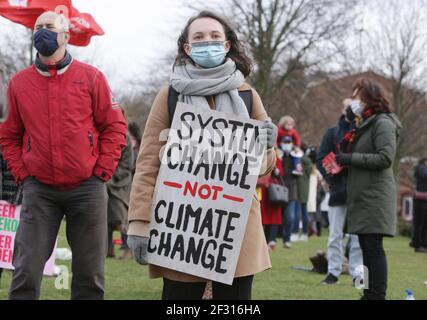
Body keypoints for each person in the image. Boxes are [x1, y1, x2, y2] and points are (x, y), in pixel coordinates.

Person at [127, 11, 278, 300]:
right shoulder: (169, 96)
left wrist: (267, 145)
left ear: (226, 45)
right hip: (180, 228)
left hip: (236, 229)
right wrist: (139, 222)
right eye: (198, 37)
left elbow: (264, 168)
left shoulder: (247, 95)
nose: (207, 42)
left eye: (214, 37)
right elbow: (147, 163)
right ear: (187, 47)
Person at [0, 12, 127, 300]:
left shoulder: (91, 77)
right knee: (25, 271)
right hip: (39, 190)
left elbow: (115, 126)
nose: (43, 32)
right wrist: (24, 174)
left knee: (89, 275)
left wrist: (101, 171)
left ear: (66, 36)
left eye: (50, 27)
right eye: (38, 28)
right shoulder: (19, 84)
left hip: (87, 188)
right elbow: (9, 135)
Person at [335, 78, 401, 300]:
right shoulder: (364, 123)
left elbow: (385, 158)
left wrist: (350, 158)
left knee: (373, 247)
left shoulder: (383, 123)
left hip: (375, 196)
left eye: (357, 96)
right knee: (365, 246)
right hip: (363, 195)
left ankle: (376, 294)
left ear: (368, 98)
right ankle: (368, 293)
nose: (353, 101)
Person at [317, 103, 363, 286]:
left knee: (358, 236)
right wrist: (331, 176)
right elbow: (321, 157)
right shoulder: (332, 132)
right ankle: (333, 272)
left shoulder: (362, 130)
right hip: (337, 189)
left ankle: (358, 275)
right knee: (335, 234)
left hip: (359, 189)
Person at [106, 128, 134, 259]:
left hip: (120, 183)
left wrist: (112, 177)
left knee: (120, 217)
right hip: (105, 180)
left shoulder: (125, 136)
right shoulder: (105, 132)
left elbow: (127, 164)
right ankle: (108, 249)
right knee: (105, 218)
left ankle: (129, 249)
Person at [260, 148, 284, 251]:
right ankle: (266, 241)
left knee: (273, 217)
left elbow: (280, 173)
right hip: (264, 191)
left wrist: (276, 171)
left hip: (272, 192)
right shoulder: (261, 158)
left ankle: (271, 240)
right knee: (264, 218)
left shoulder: (276, 158)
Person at [280, 136, 300, 248]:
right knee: (278, 217)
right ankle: (273, 239)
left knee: (290, 217)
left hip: (291, 191)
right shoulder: (278, 155)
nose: (287, 144)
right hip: (278, 190)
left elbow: (299, 171)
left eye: (289, 142)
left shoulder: (295, 156)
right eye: (285, 142)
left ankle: (287, 239)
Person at [293, 143, 312, 242]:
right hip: (305, 188)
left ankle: (295, 232)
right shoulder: (308, 161)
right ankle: (305, 233)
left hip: (298, 188)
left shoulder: (299, 159)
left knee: (297, 211)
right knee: (304, 211)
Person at [412, 158, 427, 253]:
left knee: (425, 223)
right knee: (420, 223)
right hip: (421, 199)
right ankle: (418, 244)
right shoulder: (420, 167)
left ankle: (424, 244)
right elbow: (425, 175)